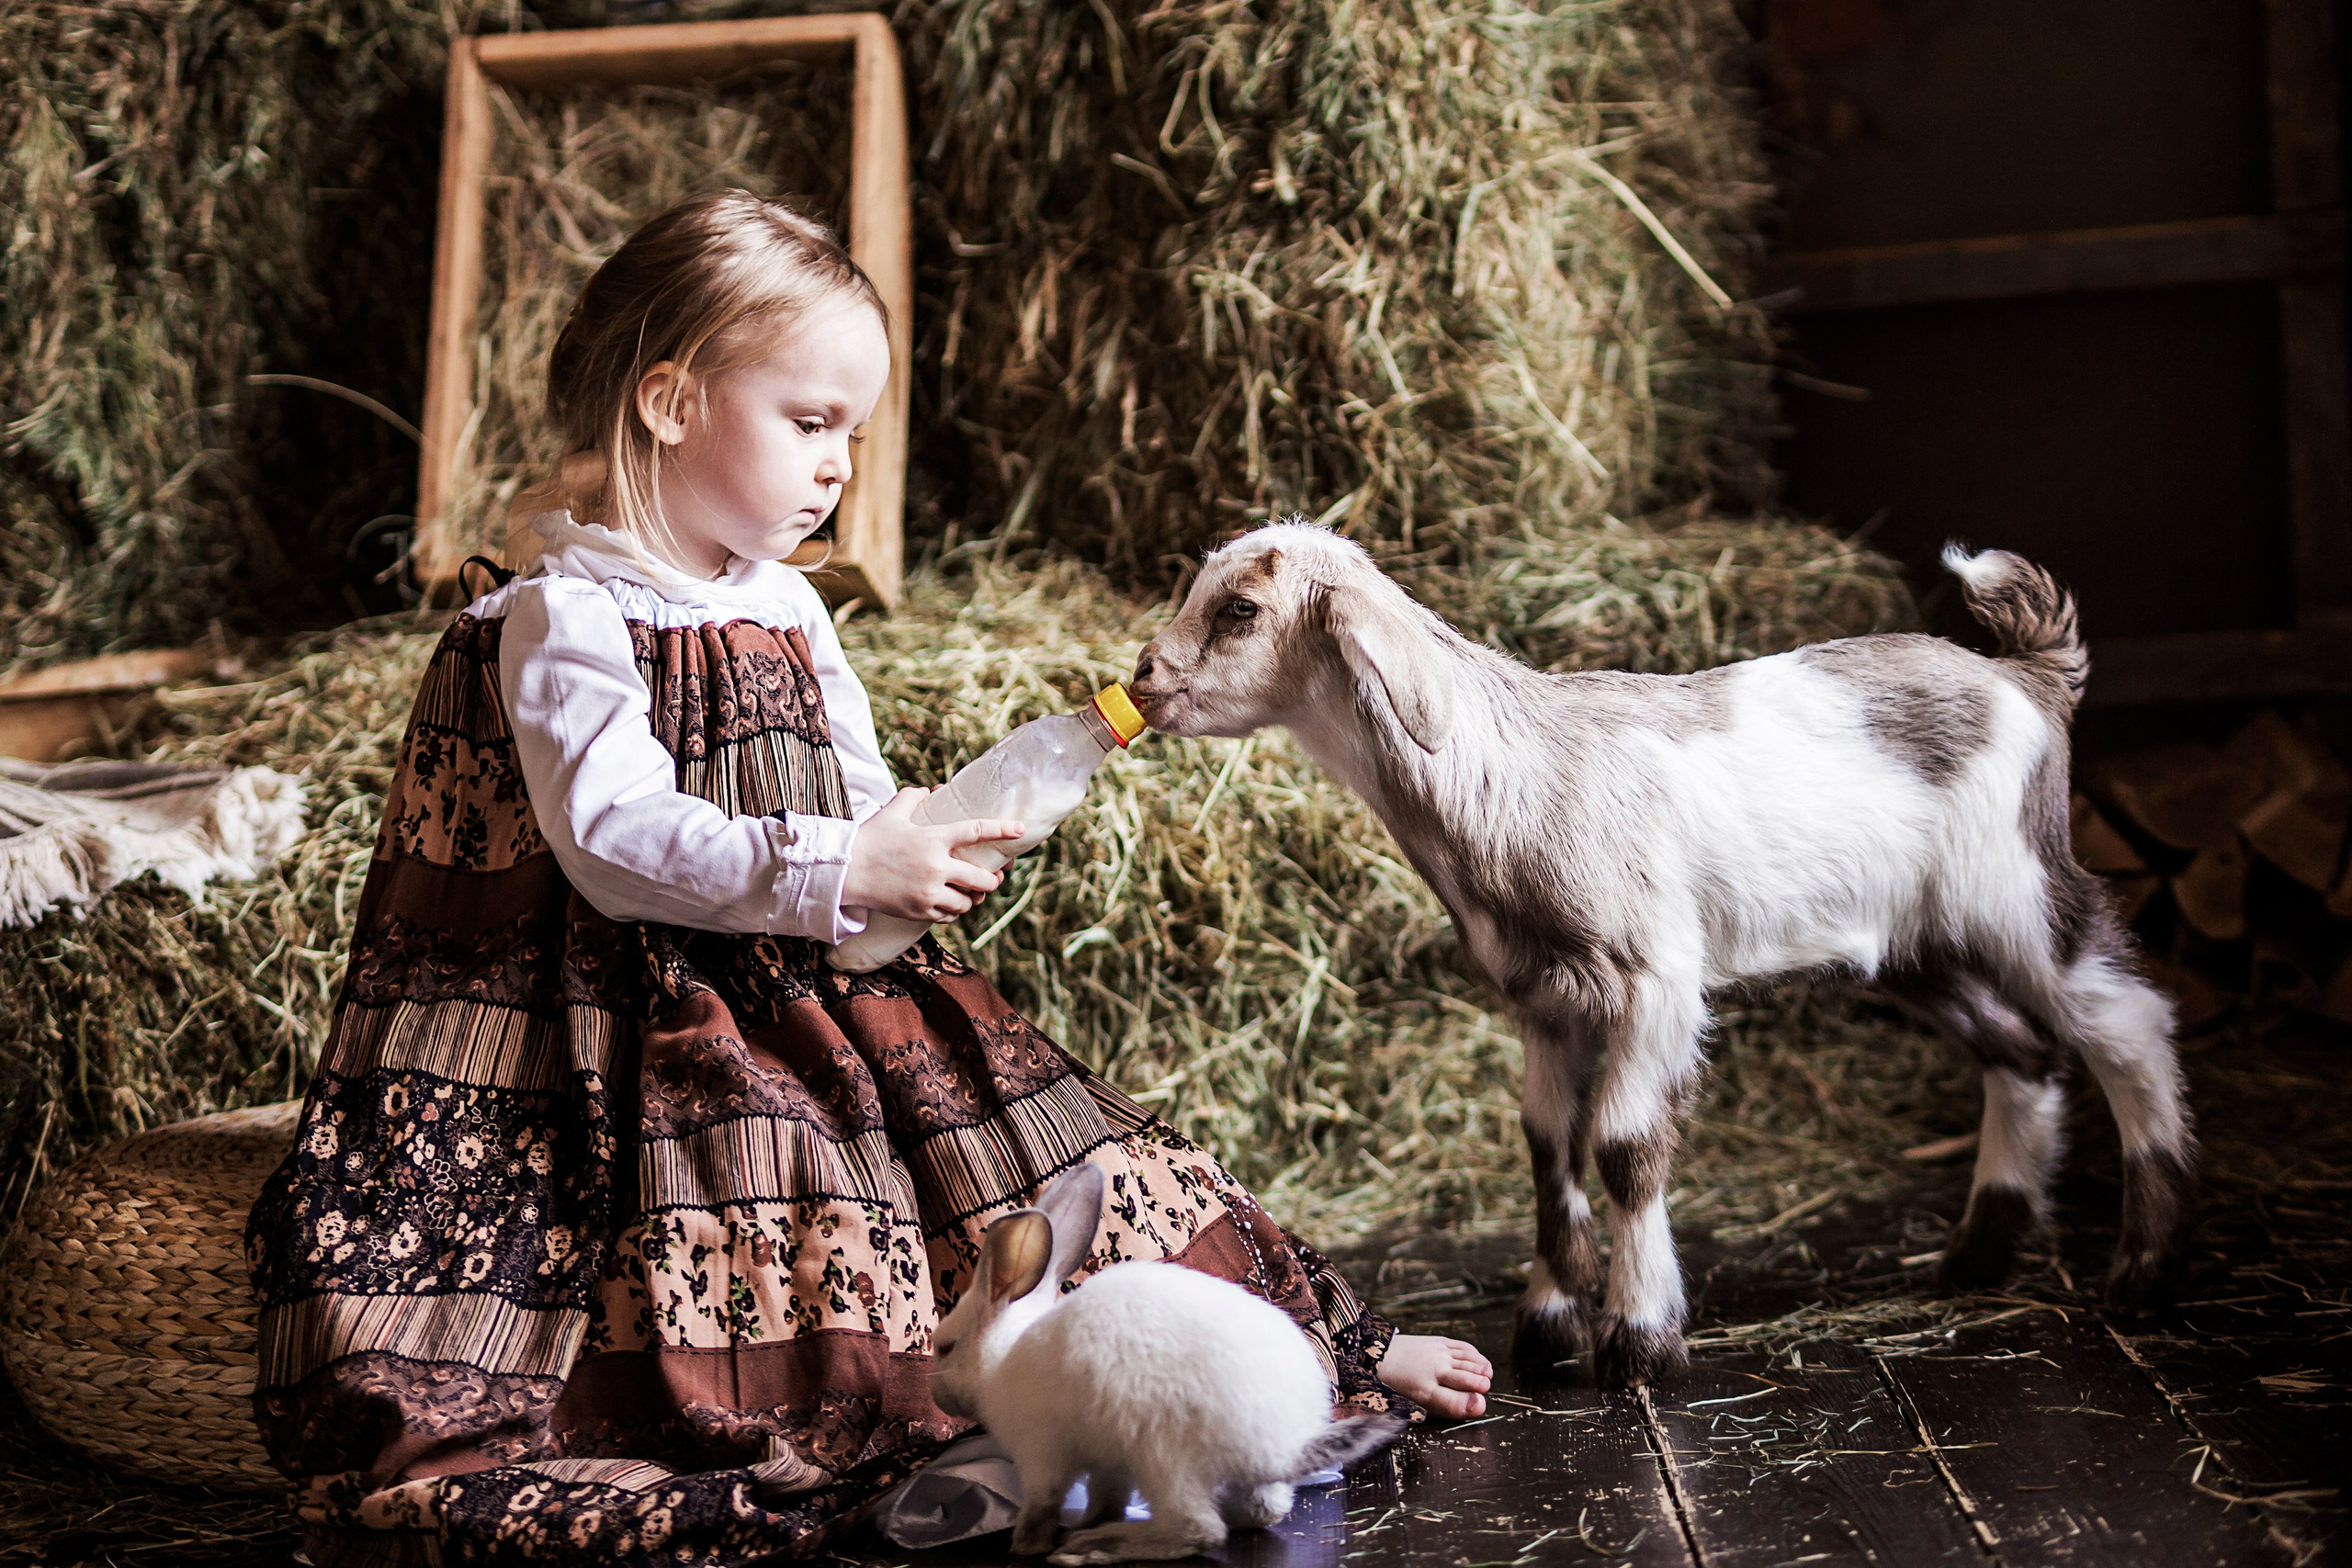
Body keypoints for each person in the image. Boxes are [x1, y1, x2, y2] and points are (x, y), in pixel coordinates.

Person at [246, 189, 1491, 1567]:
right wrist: (839, 861)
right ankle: (894, 1423)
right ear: (668, 401)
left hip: (824, 961)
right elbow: (610, 843)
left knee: (1076, 1149)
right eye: (811, 421)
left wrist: (917, 842)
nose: (840, 463)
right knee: (773, 1172)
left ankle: (1305, 1357)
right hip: (639, 1006)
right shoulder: (565, 614)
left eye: (854, 428)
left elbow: (845, 788)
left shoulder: (785, 605)